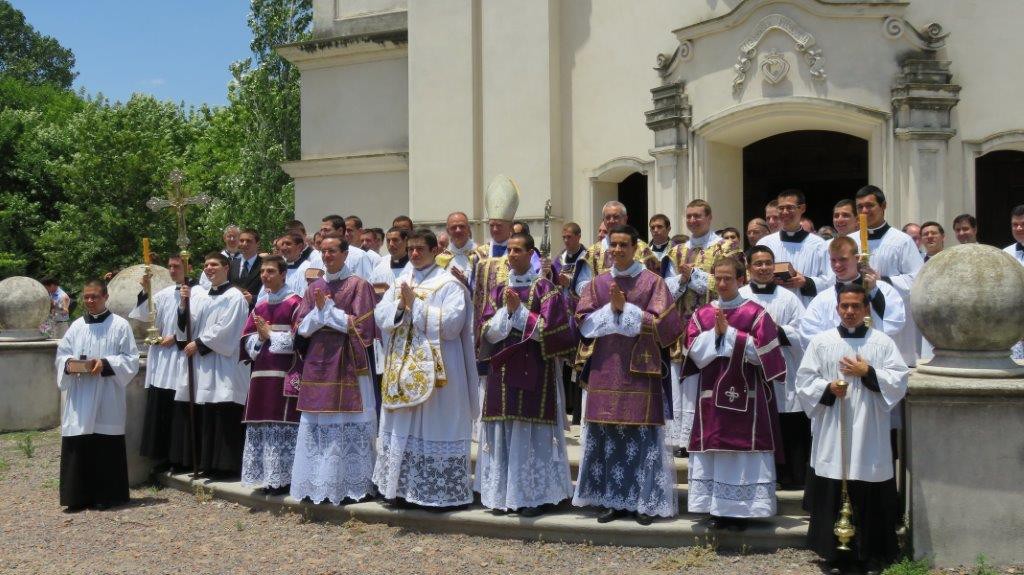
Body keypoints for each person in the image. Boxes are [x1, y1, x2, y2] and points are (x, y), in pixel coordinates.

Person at [572, 224, 683, 525]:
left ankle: (644, 502)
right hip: (605, 368)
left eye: (624, 245)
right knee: (607, 434)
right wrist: (612, 311)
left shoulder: (652, 282)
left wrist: (626, 310)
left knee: (642, 436)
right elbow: (582, 323)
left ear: (636, 248)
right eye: (614, 244)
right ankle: (611, 501)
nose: (618, 250)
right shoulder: (597, 283)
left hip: (640, 371)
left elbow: (667, 327)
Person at [797, 284, 909, 575]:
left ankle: (871, 554)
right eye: (844, 306)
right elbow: (804, 381)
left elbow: (899, 380)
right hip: (834, 427)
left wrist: (868, 372)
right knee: (834, 482)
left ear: (866, 309)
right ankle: (834, 555)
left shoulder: (882, 342)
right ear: (837, 308)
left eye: (855, 306)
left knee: (869, 483)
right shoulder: (822, 342)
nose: (849, 312)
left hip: (870, 430)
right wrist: (828, 387)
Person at [374, 228, 478, 508]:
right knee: (402, 426)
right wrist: (400, 306)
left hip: (440, 369)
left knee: (435, 424)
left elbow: (452, 325)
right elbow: (381, 315)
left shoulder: (449, 284)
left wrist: (415, 305)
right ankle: (400, 490)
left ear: (435, 251)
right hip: (402, 368)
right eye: (411, 249)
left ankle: (437, 492)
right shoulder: (401, 281)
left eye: (420, 248)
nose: (414, 253)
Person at [475, 233, 576, 516]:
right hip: (502, 370)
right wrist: (507, 316)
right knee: (504, 426)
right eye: (509, 249)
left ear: (531, 253)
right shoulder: (498, 290)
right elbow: (485, 331)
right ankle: (502, 494)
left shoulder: (545, 288)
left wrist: (519, 313)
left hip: (535, 368)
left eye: (518, 250)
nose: (511, 254)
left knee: (528, 429)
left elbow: (554, 333)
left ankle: (533, 496)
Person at [682, 257, 786, 531]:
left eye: (728, 278)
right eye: (718, 278)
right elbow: (691, 352)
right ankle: (716, 508)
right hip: (711, 395)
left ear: (741, 279)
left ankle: (742, 510)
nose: (722, 283)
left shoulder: (756, 313)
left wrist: (730, 335)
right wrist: (716, 336)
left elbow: (766, 356)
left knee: (742, 450)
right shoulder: (703, 314)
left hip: (747, 397)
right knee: (715, 447)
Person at [289, 235, 379, 504]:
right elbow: (300, 328)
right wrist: (320, 315)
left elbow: (364, 327)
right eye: (324, 251)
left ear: (345, 254)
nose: (327, 256)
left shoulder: (359, 285)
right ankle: (317, 483)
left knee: (346, 423)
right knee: (318, 423)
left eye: (332, 251)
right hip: (318, 363)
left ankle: (351, 485)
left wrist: (327, 312)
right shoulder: (314, 287)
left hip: (348, 361)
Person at [663, 200, 741, 456]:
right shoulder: (676, 251)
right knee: (681, 382)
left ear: (709, 218)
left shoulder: (725, 247)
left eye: (698, 216)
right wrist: (682, 279)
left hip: (712, 324)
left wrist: (694, 276)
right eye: (689, 216)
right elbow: (665, 288)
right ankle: (682, 439)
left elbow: (731, 282)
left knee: (709, 377)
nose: (693, 221)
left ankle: (708, 431)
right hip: (681, 326)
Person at [56, 279, 140, 512]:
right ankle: (77, 497)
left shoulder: (120, 325)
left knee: (105, 443)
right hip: (80, 393)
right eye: (86, 297)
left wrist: (105, 363)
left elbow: (131, 360)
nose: (90, 301)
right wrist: (69, 364)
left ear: (105, 297)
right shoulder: (76, 326)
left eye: (95, 296)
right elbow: (62, 355)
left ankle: (107, 496)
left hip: (106, 394)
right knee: (78, 441)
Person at [739, 246, 809, 489]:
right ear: (749, 267)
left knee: (786, 421)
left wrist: (777, 330)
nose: (764, 268)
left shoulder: (788, 298)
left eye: (768, 263)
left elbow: (803, 332)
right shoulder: (740, 296)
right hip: (749, 370)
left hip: (782, 369)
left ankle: (789, 476)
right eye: (758, 263)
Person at [176, 252, 251, 476]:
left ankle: (227, 466)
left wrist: (199, 343)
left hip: (226, 363)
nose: (209, 268)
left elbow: (228, 329)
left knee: (225, 409)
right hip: (206, 363)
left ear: (226, 268)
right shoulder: (202, 296)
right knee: (208, 411)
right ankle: (208, 463)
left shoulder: (234, 297)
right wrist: (183, 305)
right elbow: (190, 324)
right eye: (206, 265)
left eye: (214, 264)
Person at [239, 256, 303, 494]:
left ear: (283, 274)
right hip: (261, 374)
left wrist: (271, 335)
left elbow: (300, 340)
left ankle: (284, 479)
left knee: (282, 423)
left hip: (284, 374)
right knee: (262, 422)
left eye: (271, 271)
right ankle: (267, 477)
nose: (265, 275)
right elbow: (247, 339)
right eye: (263, 271)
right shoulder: (260, 305)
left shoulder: (295, 302)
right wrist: (259, 337)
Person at [129, 255, 194, 463]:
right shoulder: (164, 294)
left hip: (181, 355)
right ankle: (162, 457)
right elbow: (143, 316)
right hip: (161, 358)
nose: (172, 270)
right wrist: (145, 291)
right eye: (170, 267)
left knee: (179, 407)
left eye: (177, 266)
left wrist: (175, 337)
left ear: (189, 267)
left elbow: (200, 322)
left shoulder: (199, 293)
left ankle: (180, 458)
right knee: (161, 405)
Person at [851, 185, 923, 367]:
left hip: (890, 316)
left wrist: (882, 281)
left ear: (883, 206)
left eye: (870, 205)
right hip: (856, 312)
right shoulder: (850, 241)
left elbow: (917, 280)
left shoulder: (902, 240)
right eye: (860, 207)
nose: (864, 211)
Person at [797, 237, 906, 346]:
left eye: (843, 259)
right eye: (833, 260)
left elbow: (895, 322)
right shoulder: (822, 299)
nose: (837, 265)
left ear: (857, 258)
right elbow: (808, 332)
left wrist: (874, 294)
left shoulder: (882, 289)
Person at [757, 189, 834, 306]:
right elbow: (753, 278)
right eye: (781, 208)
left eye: (790, 208)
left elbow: (830, 280)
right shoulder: (765, 243)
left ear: (802, 208)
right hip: (773, 306)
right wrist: (769, 279)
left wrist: (805, 282)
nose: (785, 212)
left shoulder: (818, 245)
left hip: (806, 306)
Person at [551, 221, 590, 425]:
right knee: (561, 361)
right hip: (561, 315)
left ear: (578, 236)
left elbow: (591, 285)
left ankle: (577, 409)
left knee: (578, 361)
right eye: (564, 237)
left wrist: (571, 282)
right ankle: (564, 404)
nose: (566, 240)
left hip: (579, 314)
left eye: (569, 237)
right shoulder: (559, 259)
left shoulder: (587, 258)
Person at [582, 201, 658, 281]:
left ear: (625, 219)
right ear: (603, 220)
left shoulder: (642, 248)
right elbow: (583, 281)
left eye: (616, 217)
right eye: (608, 217)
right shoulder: (593, 251)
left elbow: (652, 280)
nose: (611, 221)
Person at [436, 211, 478, 277]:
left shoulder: (481, 254)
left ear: (468, 229)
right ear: (448, 231)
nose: (458, 230)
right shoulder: (440, 259)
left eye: (462, 226)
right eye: (453, 227)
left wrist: (467, 281)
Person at [230, 228, 263, 306]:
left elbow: (271, 291)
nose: (244, 244)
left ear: (257, 244)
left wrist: (253, 299)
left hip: (255, 309)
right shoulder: (231, 264)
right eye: (241, 241)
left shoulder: (265, 265)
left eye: (249, 241)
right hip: (233, 308)